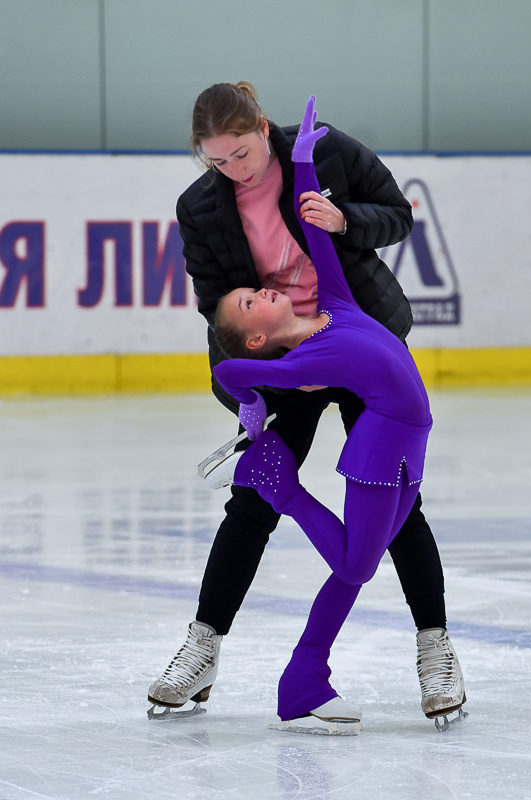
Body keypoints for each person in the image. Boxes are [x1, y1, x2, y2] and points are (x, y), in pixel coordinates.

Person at [147, 81, 465, 726]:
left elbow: (397, 214)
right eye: (216, 162)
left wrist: (345, 220)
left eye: (240, 154)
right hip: (286, 360)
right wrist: (252, 389)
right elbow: (218, 305)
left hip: (357, 337)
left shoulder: (324, 152)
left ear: (263, 128)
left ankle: (434, 646)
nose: (232, 170)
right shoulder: (200, 207)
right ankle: (203, 646)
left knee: (400, 505)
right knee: (253, 498)